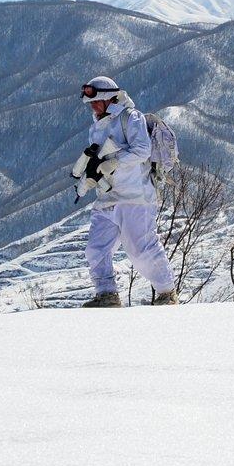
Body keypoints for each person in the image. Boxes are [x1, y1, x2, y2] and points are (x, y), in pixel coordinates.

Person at [78, 76, 178, 307]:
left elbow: (142, 150)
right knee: (96, 248)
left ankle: (167, 293)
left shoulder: (131, 117)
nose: (92, 106)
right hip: (108, 197)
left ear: (107, 98)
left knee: (141, 250)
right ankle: (107, 295)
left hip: (135, 196)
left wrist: (113, 162)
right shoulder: (96, 126)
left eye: (95, 101)